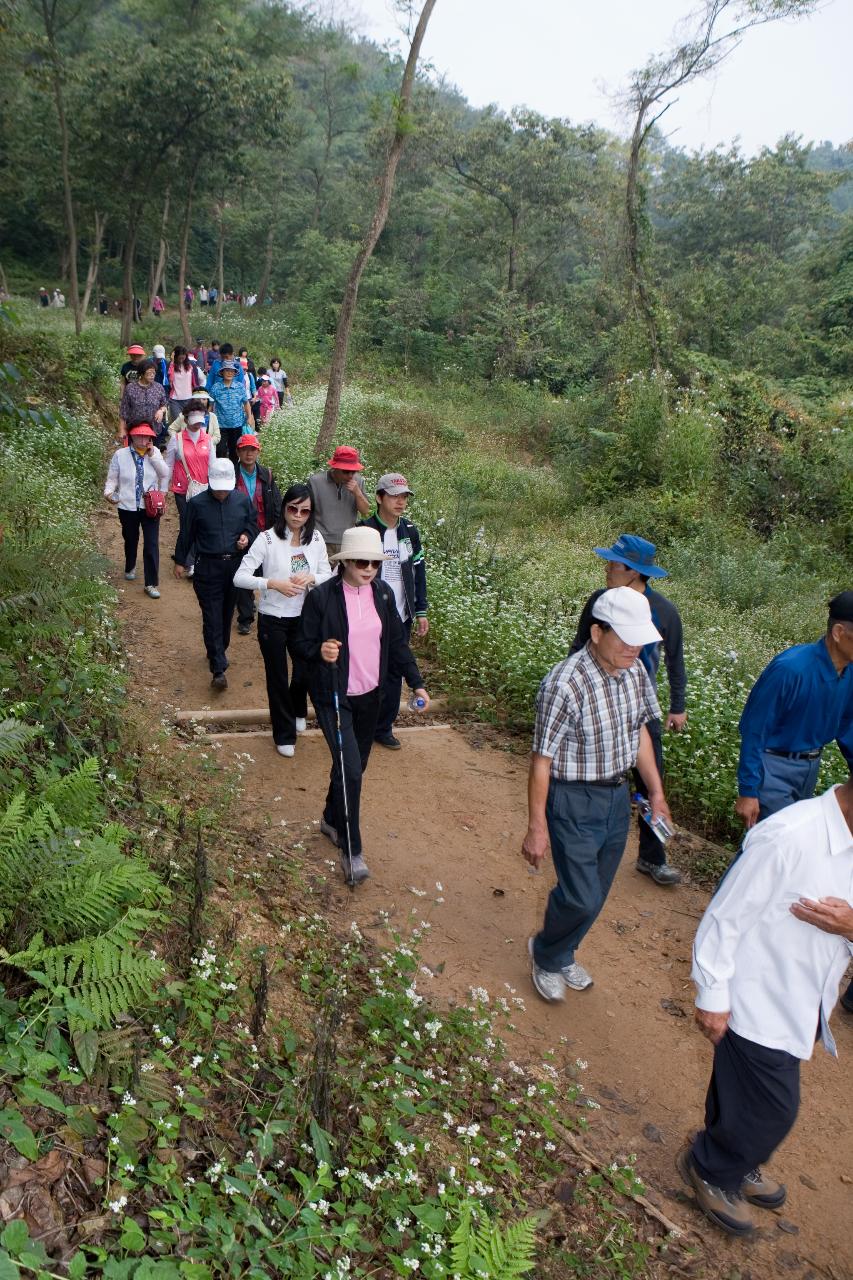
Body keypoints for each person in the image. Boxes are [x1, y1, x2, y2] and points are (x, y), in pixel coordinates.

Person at [681, 775, 853, 1238]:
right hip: (758, 1000)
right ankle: (712, 1169)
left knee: (740, 1091)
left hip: (806, 996)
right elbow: (725, 915)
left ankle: (740, 1159)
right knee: (775, 1108)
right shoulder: (789, 836)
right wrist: (713, 996)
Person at [522, 587, 672, 1001]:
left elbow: (638, 731)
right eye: (624, 637)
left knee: (598, 893)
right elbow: (542, 760)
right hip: (571, 799)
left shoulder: (635, 672)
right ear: (596, 632)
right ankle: (547, 954)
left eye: (639, 638)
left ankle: (563, 950)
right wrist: (537, 826)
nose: (634, 648)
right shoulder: (564, 684)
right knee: (580, 895)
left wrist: (655, 793)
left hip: (616, 797)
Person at [293, 526, 429, 886]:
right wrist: (320, 651)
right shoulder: (322, 598)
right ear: (346, 562)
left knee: (353, 766)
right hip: (334, 696)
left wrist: (416, 682)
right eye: (361, 562)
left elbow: (398, 644)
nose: (368, 568)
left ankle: (329, 817)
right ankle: (351, 851)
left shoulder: (383, 594)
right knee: (351, 771)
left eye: (374, 562)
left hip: (372, 696)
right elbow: (301, 644)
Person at [569, 535, 686, 887]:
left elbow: (675, 660)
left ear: (635, 573)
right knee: (590, 772)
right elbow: (578, 647)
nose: (607, 569)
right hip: (597, 702)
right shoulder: (599, 602)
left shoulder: (664, 611)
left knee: (651, 780)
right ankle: (579, 843)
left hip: (640, 708)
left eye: (614, 565)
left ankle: (653, 857)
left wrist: (677, 705)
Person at [736, 591, 853, 830]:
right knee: (769, 843)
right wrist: (748, 790)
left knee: (788, 843)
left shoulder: (849, 673)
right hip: (773, 768)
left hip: (810, 767)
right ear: (839, 633)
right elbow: (754, 730)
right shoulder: (791, 669)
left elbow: (846, 725)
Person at [234, 484, 332, 757]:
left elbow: (329, 574)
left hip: (305, 618)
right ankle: (284, 733)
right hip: (273, 618)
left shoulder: (316, 540)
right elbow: (240, 576)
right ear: (284, 508)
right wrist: (271, 584)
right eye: (293, 508)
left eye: (304, 511)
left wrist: (312, 577)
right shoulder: (266, 539)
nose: (298, 515)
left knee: (305, 670)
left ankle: (298, 708)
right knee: (277, 676)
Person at [174, 459, 257, 689]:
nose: (221, 492)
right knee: (212, 615)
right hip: (207, 567)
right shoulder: (197, 504)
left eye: (225, 488)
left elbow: (252, 524)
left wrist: (246, 537)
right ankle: (219, 668)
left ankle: (217, 650)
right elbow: (186, 534)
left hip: (234, 567)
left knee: (225, 614)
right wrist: (180, 561)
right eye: (218, 487)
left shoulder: (242, 500)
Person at [360, 473, 428, 750]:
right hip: (370, 613)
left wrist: (421, 610)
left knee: (394, 672)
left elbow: (418, 572)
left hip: (402, 614)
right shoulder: (365, 531)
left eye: (404, 497)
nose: (400, 502)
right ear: (379, 498)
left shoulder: (409, 531)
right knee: (367, 670)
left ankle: (383, 727)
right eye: (394, 496)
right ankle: (363, 723)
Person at [103, 423, 168, 599]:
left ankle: (151, 583)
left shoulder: (154, 453)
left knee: (151, 544)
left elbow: (164, 474)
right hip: (127, 505)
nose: (142, 439)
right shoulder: (120, 455)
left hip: (150, 506)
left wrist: (154, 457)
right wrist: (109, 492)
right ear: (131, 436)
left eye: (146, 436)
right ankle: (130, 565)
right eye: (138, 436)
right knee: (130, 538)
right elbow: (112, 477)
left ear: (150, 438)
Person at [233, 435, 283, 635]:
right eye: (245, 449)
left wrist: (279, 530)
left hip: (265, 533)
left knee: (267, 573)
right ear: (238, 452)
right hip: (241, 535)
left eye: (252, 449)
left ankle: (268, 613)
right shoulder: (232, 475)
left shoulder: (267, 475)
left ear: (258, 451)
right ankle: (245, 618)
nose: (249, 453)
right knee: (244, 573)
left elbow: (277, 504)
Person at [165, 403, 217, 577]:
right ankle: (187, 560)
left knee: (201, 523)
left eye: (200, 421)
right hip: (182, 489)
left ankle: (195, 559)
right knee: (187, 523)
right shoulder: (176, 439)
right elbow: (168, 465)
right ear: (185, 419)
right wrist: (162, 490)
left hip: (203, 488)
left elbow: (213, 465)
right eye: (193, 421)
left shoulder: (208, 440)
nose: (197, 425)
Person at [308, 446, 371, 557]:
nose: (350, 476)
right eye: (346, 471)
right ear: (335, 467)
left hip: (348, 542)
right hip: (321, 541)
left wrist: (357, 493)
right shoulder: (315, 482)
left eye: (353, 471)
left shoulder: (358, 481)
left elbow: (365, 511)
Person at [209, 361, 251, 464]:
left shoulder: (240, 387)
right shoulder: (216, 387)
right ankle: (220, 474)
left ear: (234, 373)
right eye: (227, 370)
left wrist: (249, 417)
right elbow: (210, 406)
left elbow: (246, 403)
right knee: (220, 451)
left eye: (231, 371)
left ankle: (235, 476)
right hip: (221, 426)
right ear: (222, 372)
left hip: (237, 425)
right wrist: (207, 421)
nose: (229, 373)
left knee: (235, 452)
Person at [119, 358, 168, 445]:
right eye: (149, 373)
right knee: (135, 455)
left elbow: (164, 404)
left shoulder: (159, 388)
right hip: (135, 428)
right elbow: (124, 410)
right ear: (141, 374)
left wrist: (161, 411)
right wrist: (122, 429)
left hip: (154, 428)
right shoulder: (130, 388)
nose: (152, 375)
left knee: (152, 454)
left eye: (154, 373)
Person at [167, 345, 202, 423]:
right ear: (175, 356)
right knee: (177, 423)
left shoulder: (191, 365)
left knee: (188, 422)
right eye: (179, 358)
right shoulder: (171, 365)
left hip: (189, 399)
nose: (181, 360)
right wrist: (172, 362)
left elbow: (196, 381)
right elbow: (168, 377)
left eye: (183, 358)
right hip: (175, 400)